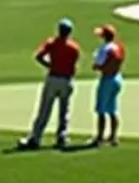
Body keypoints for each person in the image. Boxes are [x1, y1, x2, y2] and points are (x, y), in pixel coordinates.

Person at [17, 18, 81, 151]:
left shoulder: (51, 43)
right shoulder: (74, 47)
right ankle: (62, 138)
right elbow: (74, 65)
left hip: (53, 78)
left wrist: (49, 65)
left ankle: (35, 138)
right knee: (64, 111)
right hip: (67, 80)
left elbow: (39, 56)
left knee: (44, 110)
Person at [90, 24, 125, 147]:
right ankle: (113, 137)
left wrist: (95, 65)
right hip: (118, 78)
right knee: (112, 109)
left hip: (107, 79)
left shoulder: (104, 49)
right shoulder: (118, 47)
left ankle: (99, 137)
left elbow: (98, 65)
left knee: (101, 110)